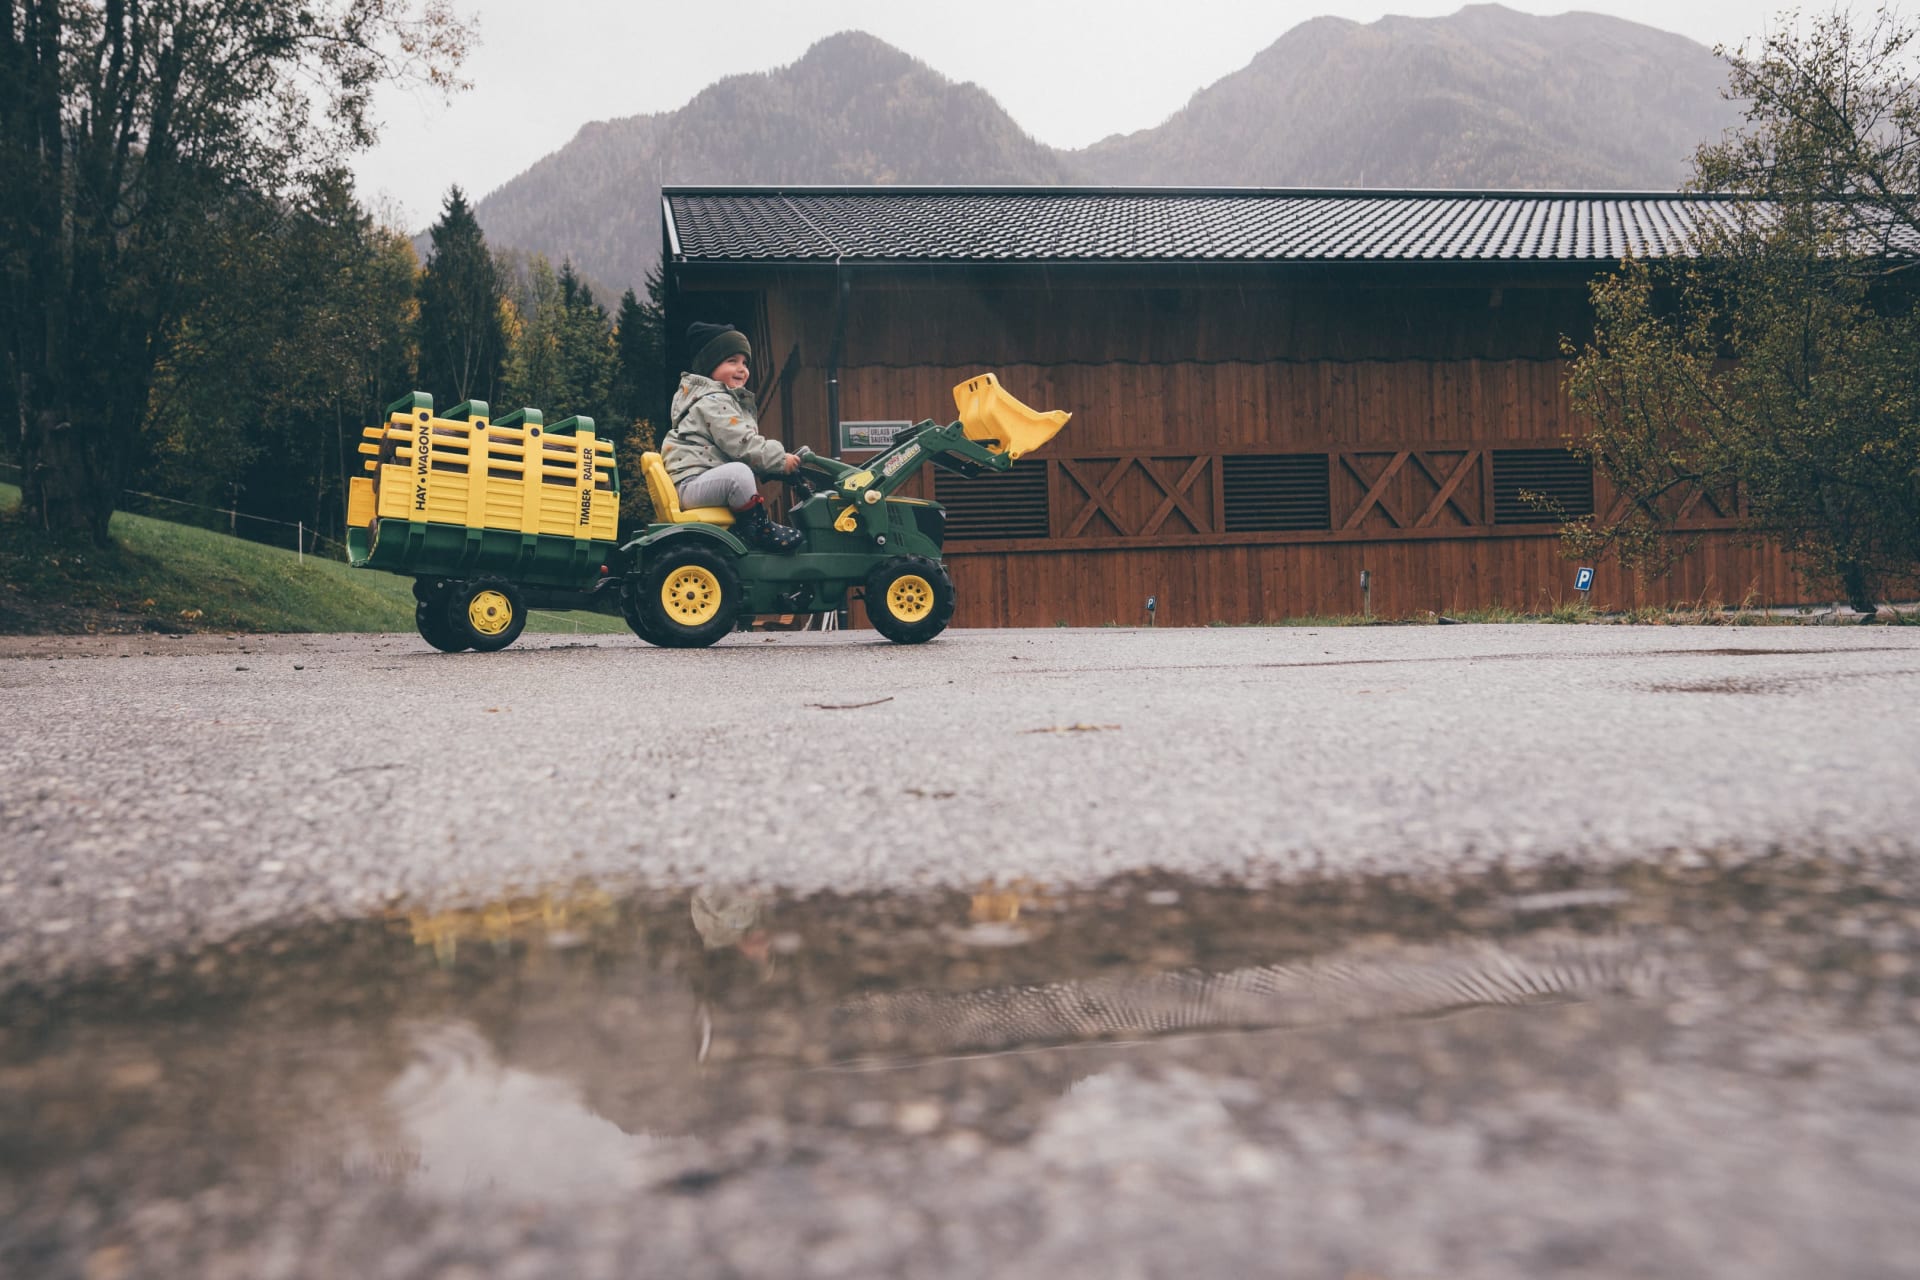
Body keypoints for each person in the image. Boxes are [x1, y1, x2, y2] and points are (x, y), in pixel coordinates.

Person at [661, 322, 803, 552]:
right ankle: (759, 531)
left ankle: (749, 529)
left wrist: (770, 468)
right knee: (738, 474)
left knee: (740, 472)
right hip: (692, 485)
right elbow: (742, 444)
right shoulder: (714, 401)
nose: (742, 369)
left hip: (697, 483)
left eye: (745, 363)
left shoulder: (714, 400)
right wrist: (779, 460)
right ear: (709, 365)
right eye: (732, 361)